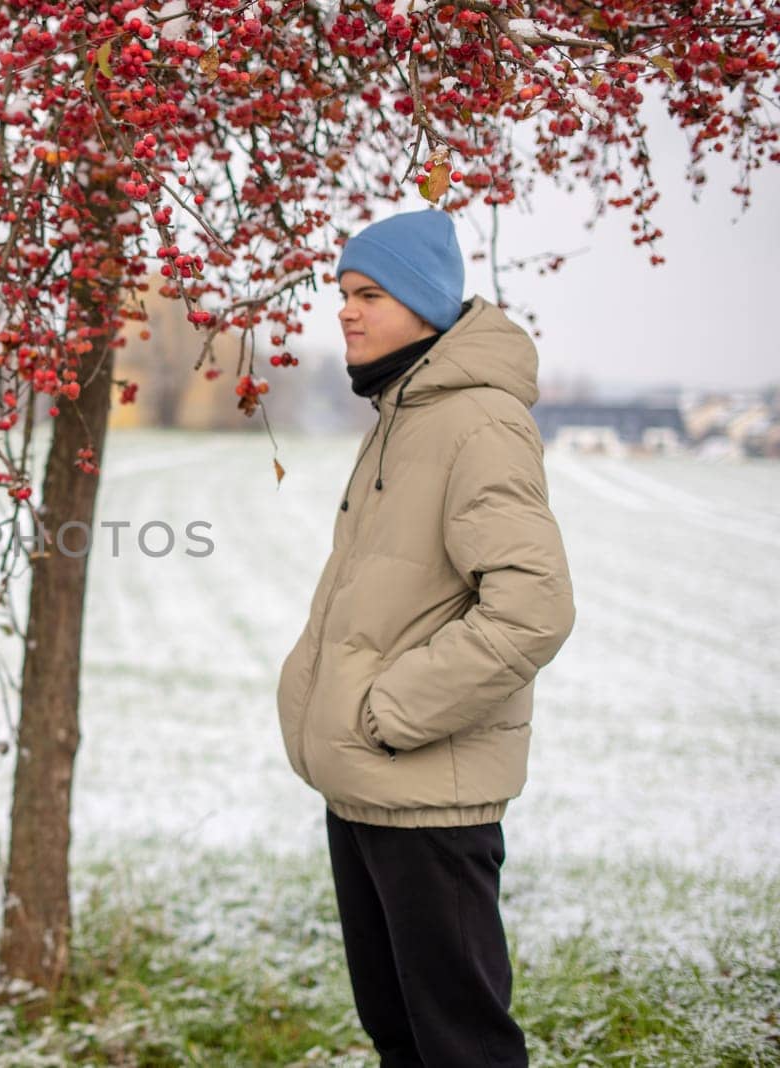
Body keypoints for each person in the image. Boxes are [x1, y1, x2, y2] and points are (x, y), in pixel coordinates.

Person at [276, 209, 576, 1067]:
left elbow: (533, 606)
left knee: (460, 1046)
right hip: (367, 785)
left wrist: (391, 712)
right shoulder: (402, 414)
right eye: (341, 292)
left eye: (369, 293)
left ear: (428, 306)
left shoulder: (476, 422)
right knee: (401, 1034)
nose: (345, 310)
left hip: (428, 792)